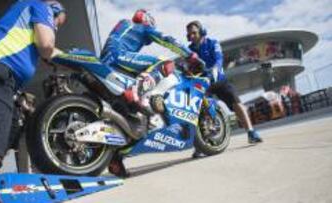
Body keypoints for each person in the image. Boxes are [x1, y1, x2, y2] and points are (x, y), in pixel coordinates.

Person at [0, 0, 66, 198]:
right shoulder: (41, 6)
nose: (55, 27)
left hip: (2, 79)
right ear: (55, 12)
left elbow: (49, 51)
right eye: (57, 22)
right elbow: (47, 45)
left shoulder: (26, 19)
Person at [100, 9, 199, 177]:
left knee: (127, 115)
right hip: (118, 56)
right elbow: (167, 40)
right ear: (146, 20)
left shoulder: (124, 26)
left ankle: (115, 160)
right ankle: (137, 91)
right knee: (165, 64)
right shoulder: (141, 27)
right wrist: (190, 55)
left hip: (107, 64)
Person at [185, 21, 263, 158]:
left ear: (202, 31)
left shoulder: (213, 43)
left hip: (218, 79)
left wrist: (215, 68)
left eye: (193, 32)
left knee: (236, 102)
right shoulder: (189, 50)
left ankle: (251, 132)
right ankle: (201, 145)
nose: (191, 36)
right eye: (189, 34)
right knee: (197, 110)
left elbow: (219, 58)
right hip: (203, 83)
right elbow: (189, 66)